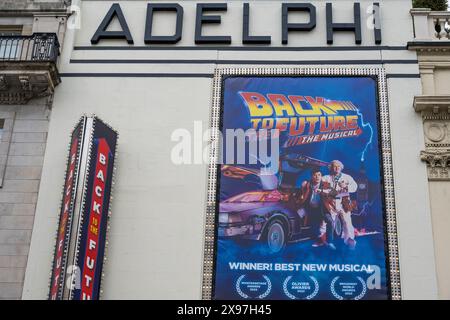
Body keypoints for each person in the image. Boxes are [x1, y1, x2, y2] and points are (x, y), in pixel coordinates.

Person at [321, 160, 358, 249]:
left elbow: (355, 187)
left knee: (347, 221)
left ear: (341, 168)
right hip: (331, 203)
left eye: (338, 166)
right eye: (334, 166)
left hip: (344, 202)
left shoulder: (347, 177)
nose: (337, 168)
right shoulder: (326, 177)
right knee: (328, 222)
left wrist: (345, 186)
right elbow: (324, 189)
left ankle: (350, 240)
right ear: (331, 168)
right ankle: (326, 241)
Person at [297, 169, 333, 249]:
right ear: (311, 176)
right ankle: (318, 241)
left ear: (321, 176)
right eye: (315, 175)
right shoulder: (307, 184)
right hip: (311, 208)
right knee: (314, 227)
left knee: (330, 221)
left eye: (319, 175)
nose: (317, 177)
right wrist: (302, 187)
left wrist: (322, 191)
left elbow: (332, 192)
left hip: (322, 208)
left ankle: (329, 241)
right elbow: (301, 194)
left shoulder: (325, 184)